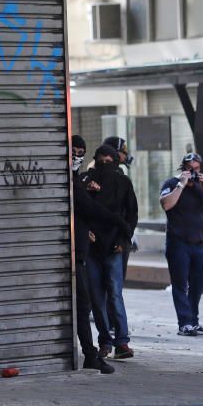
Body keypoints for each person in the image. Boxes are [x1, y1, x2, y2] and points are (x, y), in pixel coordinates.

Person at [81, 144, 137, 361]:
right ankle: (105, 341)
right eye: (101, 159)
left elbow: (131, 214)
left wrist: (124, 239)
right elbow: (78, 209)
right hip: (92, 247)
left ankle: (121, 341)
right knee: (97, 297)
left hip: (114, 246)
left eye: (109, 159)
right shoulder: (86, 181)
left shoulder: (123, 183)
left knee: (115, 293)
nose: (106, 163)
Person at [70, 136, 118, 374]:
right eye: (74, 150)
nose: (77, 155)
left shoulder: (77, 180)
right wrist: (116, 220)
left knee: (84, 303)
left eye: (81, 151)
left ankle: (90, 354)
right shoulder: (73, 180)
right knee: (84, 303)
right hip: (73, 253)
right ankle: (89, 355)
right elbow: (86, 208)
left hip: (79, 252)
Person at [160, 152, 203, 336]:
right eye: (190, 168)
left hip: (197, 244)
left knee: (197, 284)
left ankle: (193, 321)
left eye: (196, 168)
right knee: (180, 285)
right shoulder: (171, 183)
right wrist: (181, 184)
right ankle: (184, 324)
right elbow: (166, 205)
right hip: (177, 243)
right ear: (183, 167)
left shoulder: (201, 187)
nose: (193, 171)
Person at [103, 136, 138, 280]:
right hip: (112, 235)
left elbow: (129, 209)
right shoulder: (102, 173)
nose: (126, 155)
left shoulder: (120, 174)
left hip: (120, 234)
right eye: (123, 151)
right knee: (113, 281)